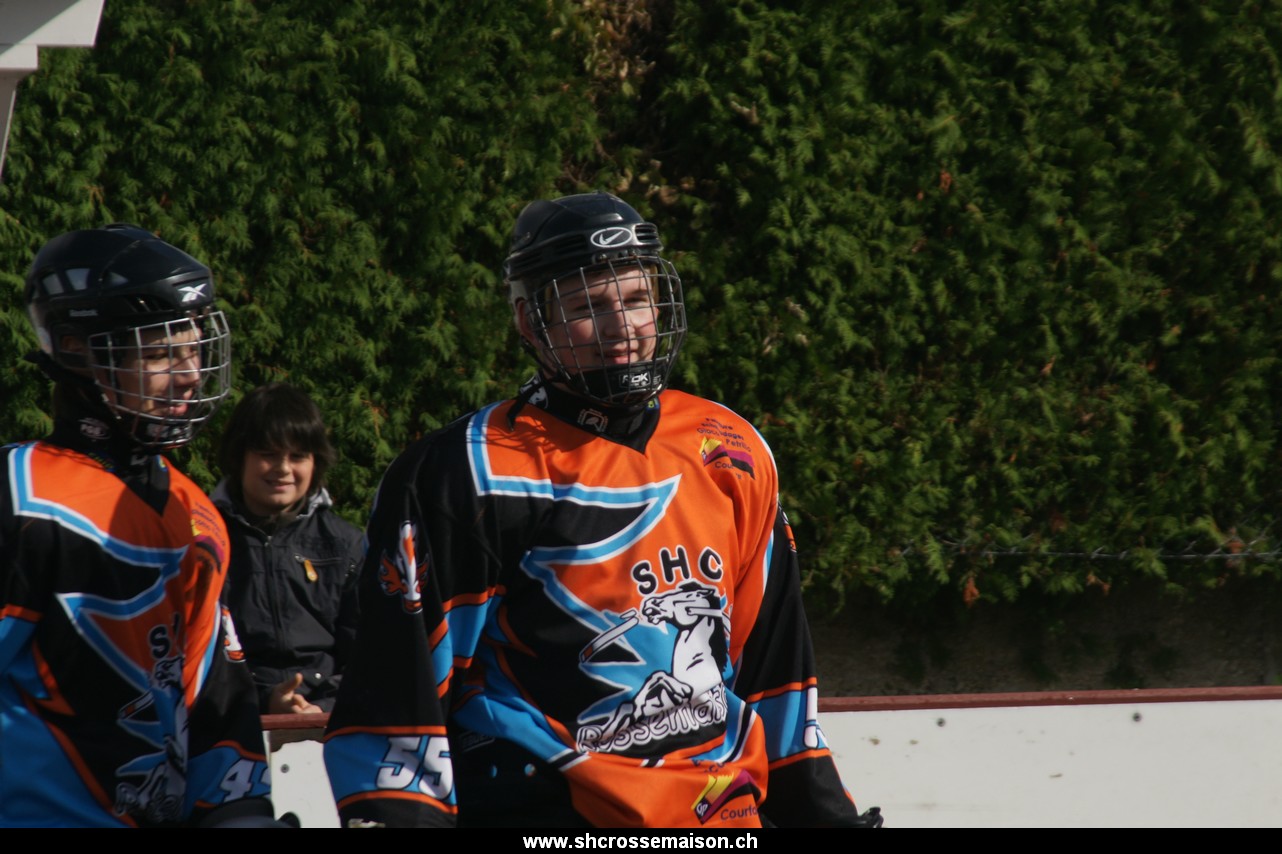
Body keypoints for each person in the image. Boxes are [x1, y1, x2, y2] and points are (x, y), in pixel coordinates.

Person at [324, 192, 880, 828]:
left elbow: (775, 673)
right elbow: (398, 697)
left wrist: (823, 818)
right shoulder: (464, 471)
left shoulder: (729, 448)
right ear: (530, 322)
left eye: (637, 299)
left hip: (720, 819)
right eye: (589, 306)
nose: (623, 326)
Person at [0, 224, 276, 827]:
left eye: (195, 347)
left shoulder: (195, 513)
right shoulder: (21, 498)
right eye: (159, 353)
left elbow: (213, 710)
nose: (191, 373)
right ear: (76, 348)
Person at [213, 382, 364, 715]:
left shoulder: (347, 544)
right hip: (232, 722)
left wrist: (323, 707)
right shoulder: (204, 540)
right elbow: (196, 658)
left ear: (316, 462)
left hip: (328, 721)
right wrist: (264, 700)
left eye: (298, 456)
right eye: (267, 454)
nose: (283, 468)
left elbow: (370, 655)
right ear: (239, 457)